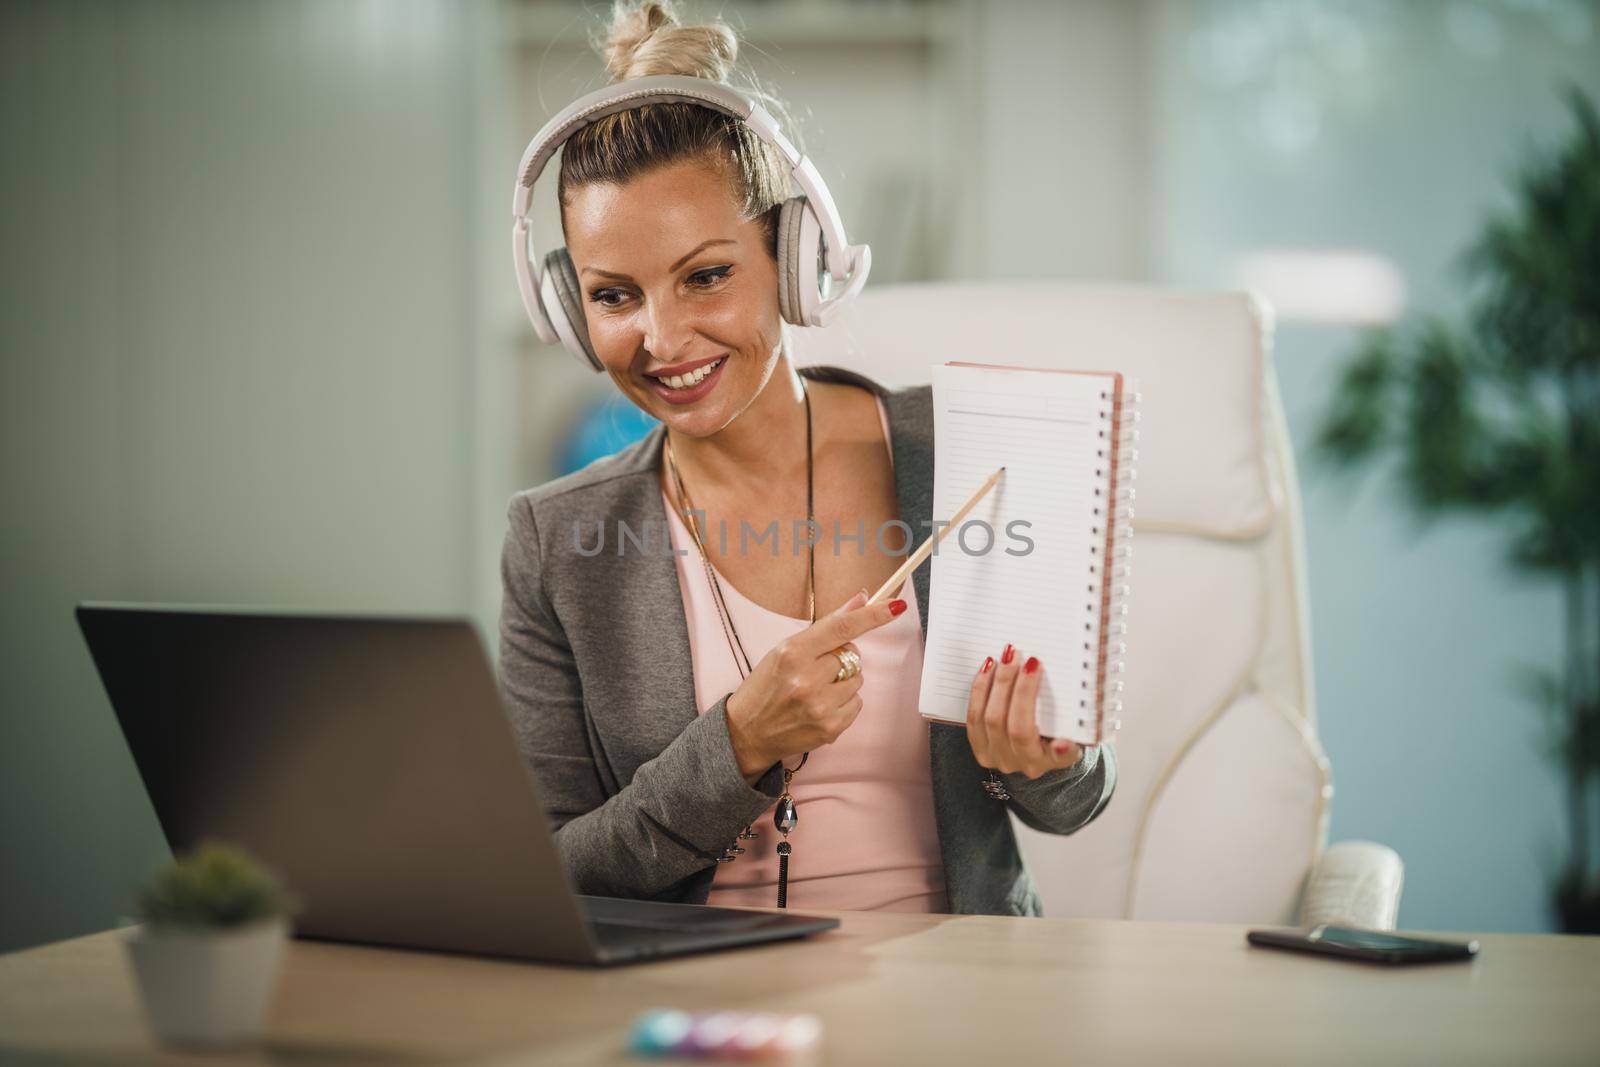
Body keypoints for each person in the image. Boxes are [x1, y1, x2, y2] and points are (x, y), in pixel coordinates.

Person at [498, 0, 1115, 916]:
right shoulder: (557, 540)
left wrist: (1046, 759)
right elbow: (550, 875)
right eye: (614, 295)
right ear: (569, 312)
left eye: (706, 275)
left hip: (961, 1001)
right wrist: (736, 747)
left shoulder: (965, 455)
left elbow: (1076, 799)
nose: (662, 339)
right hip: (708, 1010)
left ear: (795, 257)